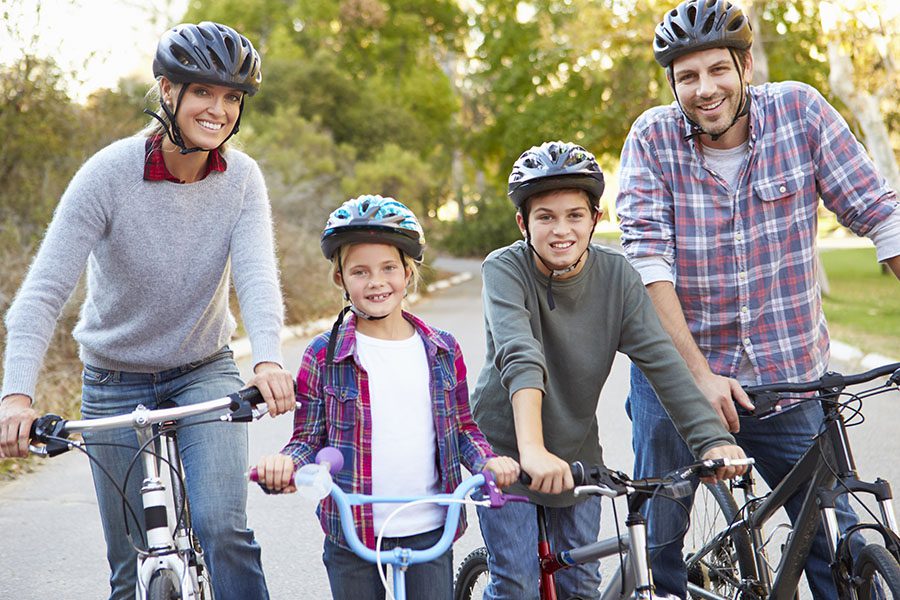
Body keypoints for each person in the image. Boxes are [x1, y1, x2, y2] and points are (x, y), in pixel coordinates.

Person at [0, 21, 296, 600]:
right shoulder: (108, 174)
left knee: (223, 530)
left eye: (232, 98)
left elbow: (258, 277)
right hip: (113, 378)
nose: (219, 110)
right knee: (129, 562)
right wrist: (15, 398)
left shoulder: (242, 180)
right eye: (203, 92)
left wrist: (267, 360)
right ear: (167, 91)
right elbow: (41, 294)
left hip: (203, 371)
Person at [616, 1, 900, 597]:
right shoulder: (652, 138)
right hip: (676, 383)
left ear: (746, 65)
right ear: (673, 83)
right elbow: (649, 265)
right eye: (687, 76)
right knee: (659, 548)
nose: (704, 88)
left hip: (788, 378)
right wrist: (697, 375)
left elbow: (880, 213)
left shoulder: (800, 112)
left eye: (717, 69)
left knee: (837, 548)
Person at [469, 140, 748, 600]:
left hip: (577, 453)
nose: (562, 230)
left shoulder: (617, 277)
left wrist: (712, 439)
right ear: (523, 223)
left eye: (575, 215)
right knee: (517, 582)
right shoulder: (505, 268)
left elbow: (662, 360)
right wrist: (531, 451)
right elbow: (521, 355)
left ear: (595, 219)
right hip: (507, 448)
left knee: (580, 585)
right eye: (546, 217)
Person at [254, 194, 520, 600]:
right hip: (354, 533)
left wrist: (488, 463)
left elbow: (463, 428)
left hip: (431, 532)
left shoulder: (442, 350)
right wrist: (286, 464)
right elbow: (308, 440)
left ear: (408, 272)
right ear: (340, 279)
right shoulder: (323, 355)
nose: (376, 281)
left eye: (388, 268)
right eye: (360, 271)